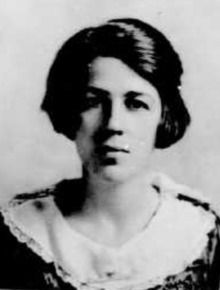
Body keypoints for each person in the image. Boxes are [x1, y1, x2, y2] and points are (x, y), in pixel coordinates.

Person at [0, 18, 220, 290]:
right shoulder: (20, 234)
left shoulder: (200, 234)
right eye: (92, 102)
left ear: (163, 117)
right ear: (69, 112)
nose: (114, 123)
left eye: (136, 104)